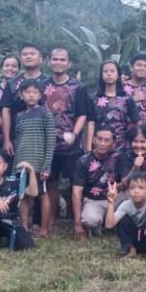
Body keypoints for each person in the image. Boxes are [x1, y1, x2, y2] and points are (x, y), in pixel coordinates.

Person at [42, 47, 89, 235]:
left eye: (62, 59)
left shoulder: (79, 87)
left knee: (75, 183)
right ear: (49, 62)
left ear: (69, 63)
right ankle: (51, 220)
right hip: (48, 146)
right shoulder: (42, 85)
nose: (58, 62)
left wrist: (75, 134)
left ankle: (77, 221)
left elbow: (83, 114)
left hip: (72, 146)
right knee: (50, 183)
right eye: (55, 59)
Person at [12, 79, 55, 234]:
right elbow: (17, 143)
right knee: (22, 195)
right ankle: (24, 227)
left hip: (38, 164)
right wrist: (14, 167)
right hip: (21, 163)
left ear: (40, 95)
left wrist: (46, 166)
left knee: (42, 194)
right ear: (21, 95)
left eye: (35, 92)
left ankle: (44, 228)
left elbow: (51, 141)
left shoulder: (45, 114)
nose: (31, 95)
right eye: (28, 92)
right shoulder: (19, 116)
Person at [71, 125, 119, 239]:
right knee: (90, 220)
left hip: (116, 197)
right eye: (99, 139)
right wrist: (78, 225)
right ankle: (100, 225)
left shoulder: (119, 158)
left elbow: (128, 183)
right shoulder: (83, 161)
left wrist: (135, 168)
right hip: (93, 200)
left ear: (113, 143)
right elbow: (76, 192)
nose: (102, 143)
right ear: (93, 140)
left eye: (106, 140)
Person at [1, 44, 48, 156]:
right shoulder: (12, 83)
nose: (28, 56)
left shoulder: (48, 82)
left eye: (32, 54)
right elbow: (6, 110)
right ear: (21, 59)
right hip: (17, 138)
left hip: (43, 139)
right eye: (25, 54)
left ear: (41, 59)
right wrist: (6, 140)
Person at [105, 171, 146, 260]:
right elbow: (109, 225)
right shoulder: (126, 204)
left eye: (141, 188)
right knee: (122, 220)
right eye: (132, 188)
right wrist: (111, 203)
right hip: (135, 239)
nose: (136, 191)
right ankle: (130, 249)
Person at [87, 60, 138, 151]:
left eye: (112, 71)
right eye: (105, 71)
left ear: (118, 75)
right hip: (99, 145)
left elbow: (135, 122)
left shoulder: (127, 98)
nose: (109, 74)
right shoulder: (94, 98)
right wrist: (88, 147)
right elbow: (91, 123)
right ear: (101, 75)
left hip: (121, 147)